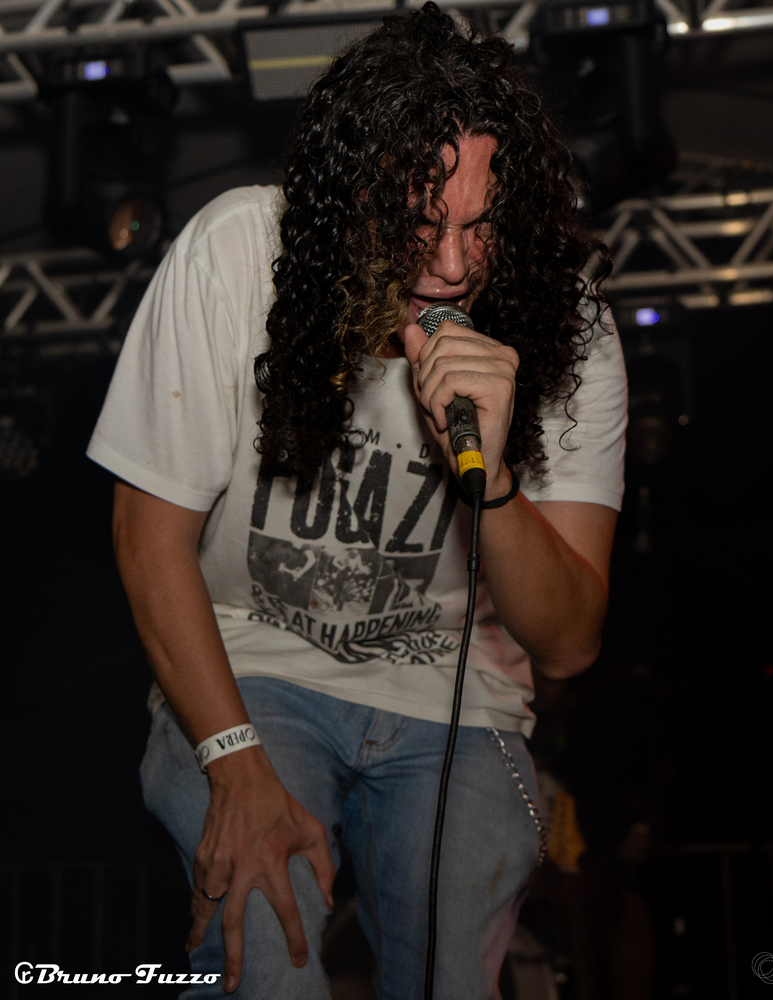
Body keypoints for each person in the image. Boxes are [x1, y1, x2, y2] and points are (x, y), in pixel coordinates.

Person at [87, 4, 627, 998]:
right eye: (418, 221)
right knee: (266, 946)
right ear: (349, 199)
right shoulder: (236, 254)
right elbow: (145, 537)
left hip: (455, 699)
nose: (452, 266)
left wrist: (493, 479)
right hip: (250, 671)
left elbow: (568, 644)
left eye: (479, 225)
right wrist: (234, 762)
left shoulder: (570, 331)